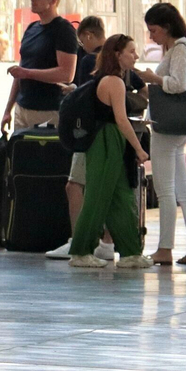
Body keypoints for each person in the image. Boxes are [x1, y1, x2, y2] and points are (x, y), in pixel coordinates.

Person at [47, 15, 131, 262]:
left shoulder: (90, 62)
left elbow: (91, 99)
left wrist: (74, 92)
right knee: (109, 190)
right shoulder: (120, 64)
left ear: (88, 36)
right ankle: (106, 243)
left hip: (90, 135)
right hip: (110, 136)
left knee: (75, 186)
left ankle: (78, 244)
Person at [70, 35, 152, 270]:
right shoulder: (113, 82)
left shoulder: (107, 79)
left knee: (121, 197)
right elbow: (121, 120)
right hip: (106, 141)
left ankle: (130, 252)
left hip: (109, 140)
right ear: (118, 55)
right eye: (132, 51)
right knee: (97, 196)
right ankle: (81, 251)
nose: (136, 56)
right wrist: (139, 148)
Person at [136, 2, 186, 267]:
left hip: (167, 128)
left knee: (165, 191)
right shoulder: (182, 48)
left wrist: (152, 77)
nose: (152, 36)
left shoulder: (179, 49)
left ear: (166, 28)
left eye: (153, 30)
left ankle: (165, 249)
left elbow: (176, 85)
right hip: (176, 129)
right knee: (183, 191)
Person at [2, 0, 78, 132]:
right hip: (22, 108)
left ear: (53, 0)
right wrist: (8, 109)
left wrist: (27, 73)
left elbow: (66, 74)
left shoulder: (63, 30)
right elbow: (20, 72)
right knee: (19, 154)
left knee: (42, 155)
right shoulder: (31, 28)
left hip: (48, 110)